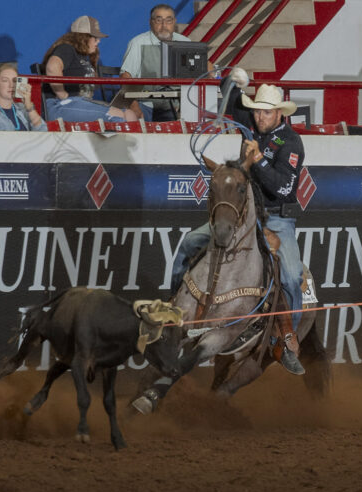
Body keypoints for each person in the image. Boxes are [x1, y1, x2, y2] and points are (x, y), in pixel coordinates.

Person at [171, 84, 306, 375]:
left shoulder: (291, 143)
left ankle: (286, 339)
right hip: (246, 216)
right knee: (190, 242)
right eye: (257, 111)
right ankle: (172, 308)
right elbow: (232, 100)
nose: (260, 117)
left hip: (278, 219)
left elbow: (284, 189)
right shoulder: (251, 127)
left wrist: (257, 159)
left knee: (293, 276)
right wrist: (233, 80)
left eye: (266, 112)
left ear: (279, 114)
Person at [41, 15, 137, 123]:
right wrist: (63, 96)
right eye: (95, 37)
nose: (99, 41)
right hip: (60, 106)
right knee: (119, 116)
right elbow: (52, 67)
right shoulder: (67, 48)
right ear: (83, 38)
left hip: (81, 104)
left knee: (130, 114)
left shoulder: (84, 56)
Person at [119, 4, 192, 121]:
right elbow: (125, 76)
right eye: (159, 20)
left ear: (174, 22)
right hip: (146, 104)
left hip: (178, 104)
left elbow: (202, 67)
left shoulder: (185, 42)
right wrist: (133, 104)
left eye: (169, 20)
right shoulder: (138, 43)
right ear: (150, 22)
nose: (164, 26)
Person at [0, 63, 46, 131]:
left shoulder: (23, 108)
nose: (11, 85)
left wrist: (29, 106)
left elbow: (43, 131)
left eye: (14, 81)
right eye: (5, 80)